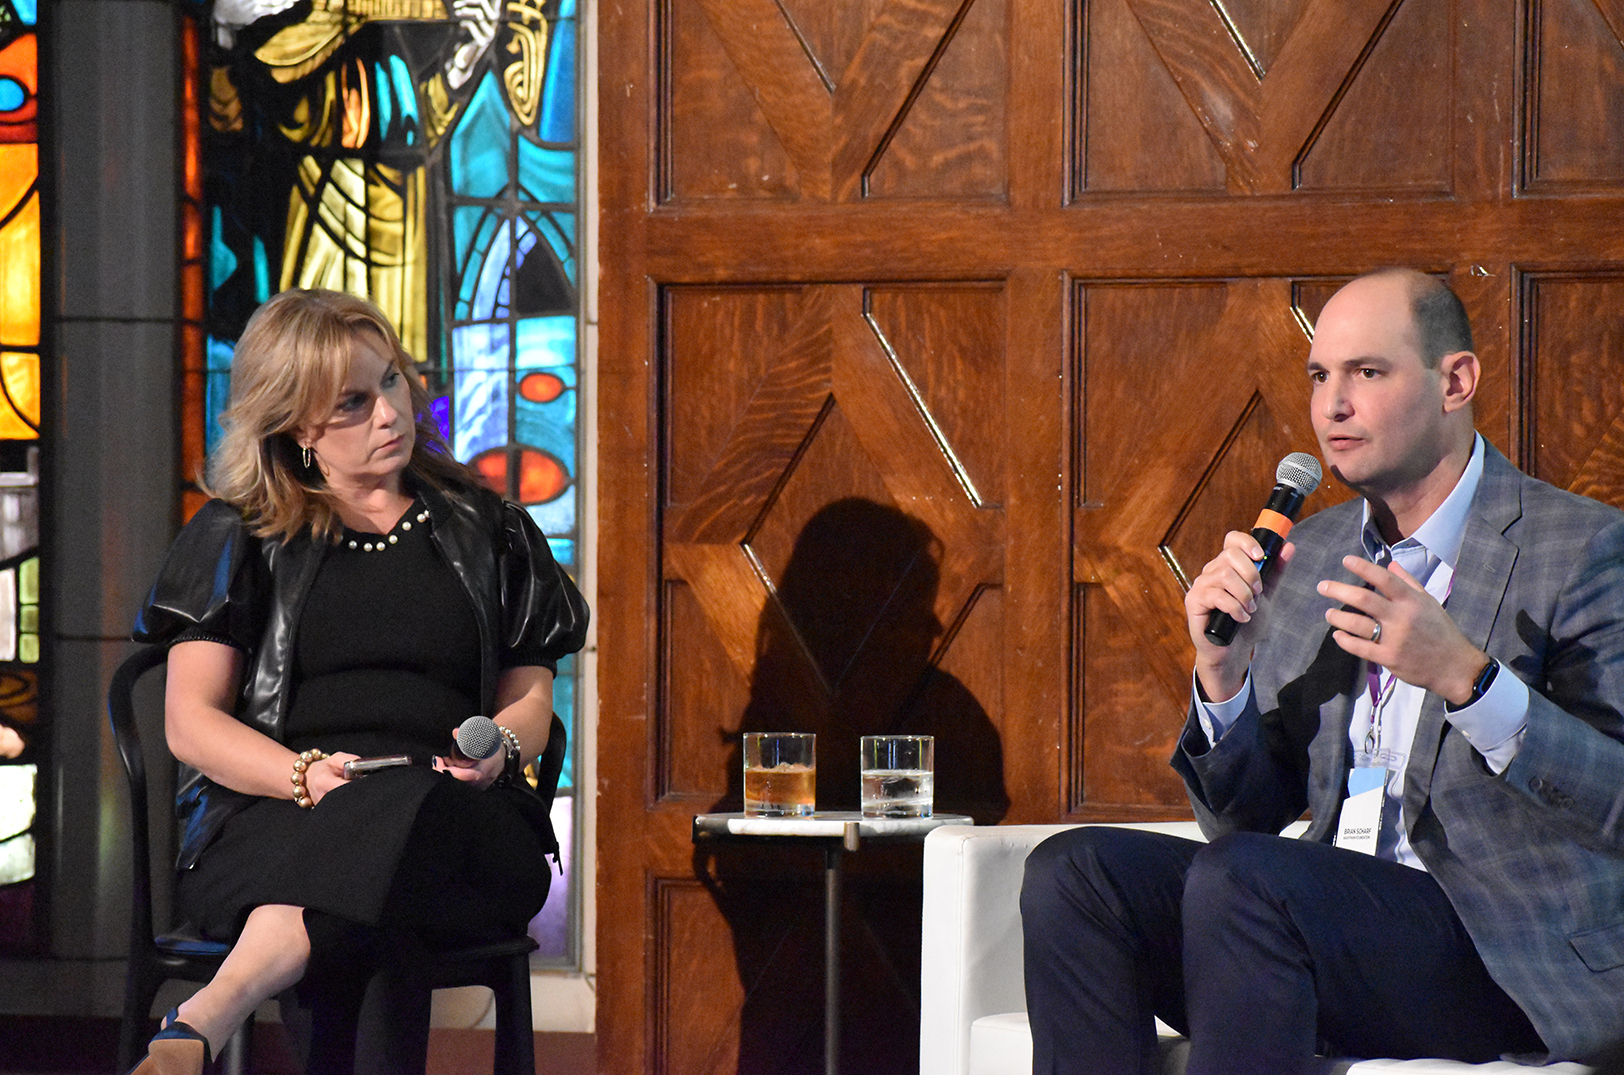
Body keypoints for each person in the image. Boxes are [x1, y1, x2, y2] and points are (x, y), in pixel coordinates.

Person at [1020, 268, 1624, 1074]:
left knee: (1248, 884)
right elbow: (1244, 823)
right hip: (1314, 922)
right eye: (1318, 376)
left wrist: (1471, 681)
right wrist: (1223, 673)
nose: (1332, 405)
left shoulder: (1582, 547)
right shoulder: (1313, 554)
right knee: (1075, 873)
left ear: (1455, 381)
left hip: (1500, 951)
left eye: (1366, 372)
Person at [126, 289, 589, 1075]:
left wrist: (500, 747)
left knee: (409, 807)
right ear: (296, 425)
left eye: (392, 381)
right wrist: (304, 775)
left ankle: (211, 1009)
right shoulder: (238, 535)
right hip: (277, 818)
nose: (390, 412)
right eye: (353, 402)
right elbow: (189, 723)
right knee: (377, 901)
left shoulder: (492, 529)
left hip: (463, 824)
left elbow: (532, 700)